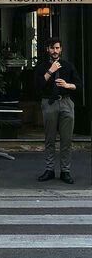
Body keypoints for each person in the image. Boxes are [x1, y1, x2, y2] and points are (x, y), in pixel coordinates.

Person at [33, 37, 81, 184]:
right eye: (52, 48)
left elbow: (78, 85)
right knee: (50, 139)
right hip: (49, 103)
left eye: (57, 48)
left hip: (66, 102)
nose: (55, 51)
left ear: (61, 49)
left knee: (66, 140)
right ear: (47, 49)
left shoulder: (68, 66)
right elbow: (37, 86)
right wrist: (50, 71)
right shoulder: (41, 67)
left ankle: (65, 171)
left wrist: (67, 85)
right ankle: (49, 169)